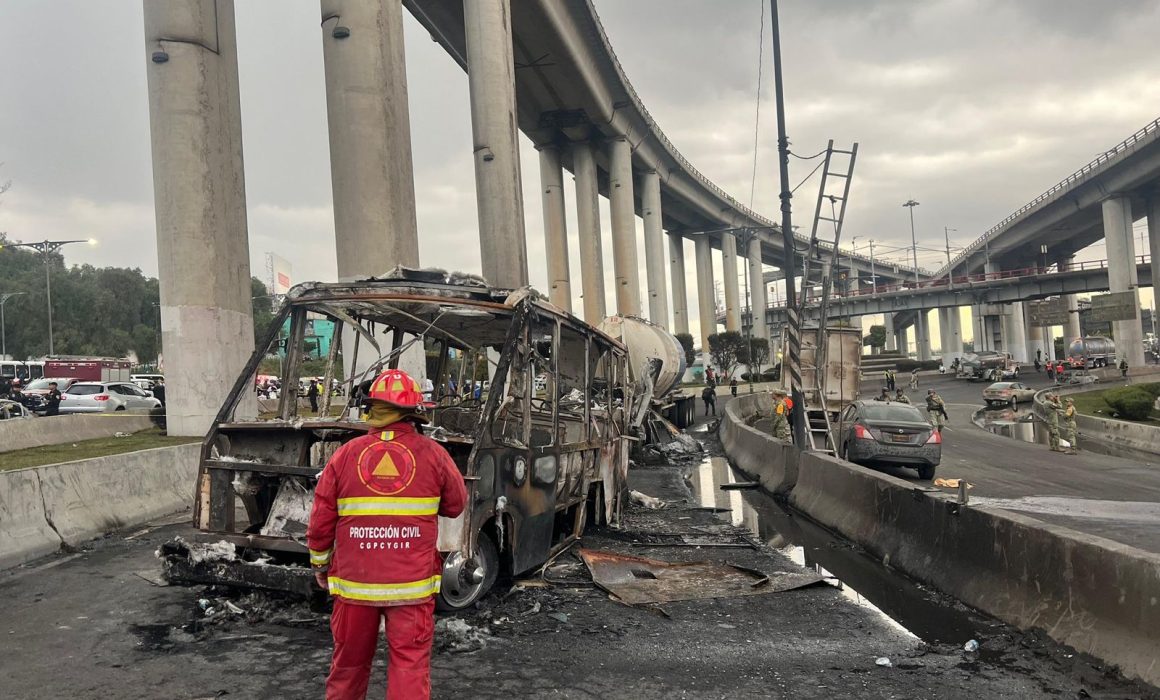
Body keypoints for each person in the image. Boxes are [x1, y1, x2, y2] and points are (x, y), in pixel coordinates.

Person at [307, 368, 467, 700]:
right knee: (409, 670)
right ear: (415, 412)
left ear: (372, 409)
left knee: (348, 668)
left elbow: (321, 519)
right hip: (411, 589)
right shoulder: (434, 454)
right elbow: (455, 505)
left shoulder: (345, 455)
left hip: (355, 587)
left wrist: (320, 566)